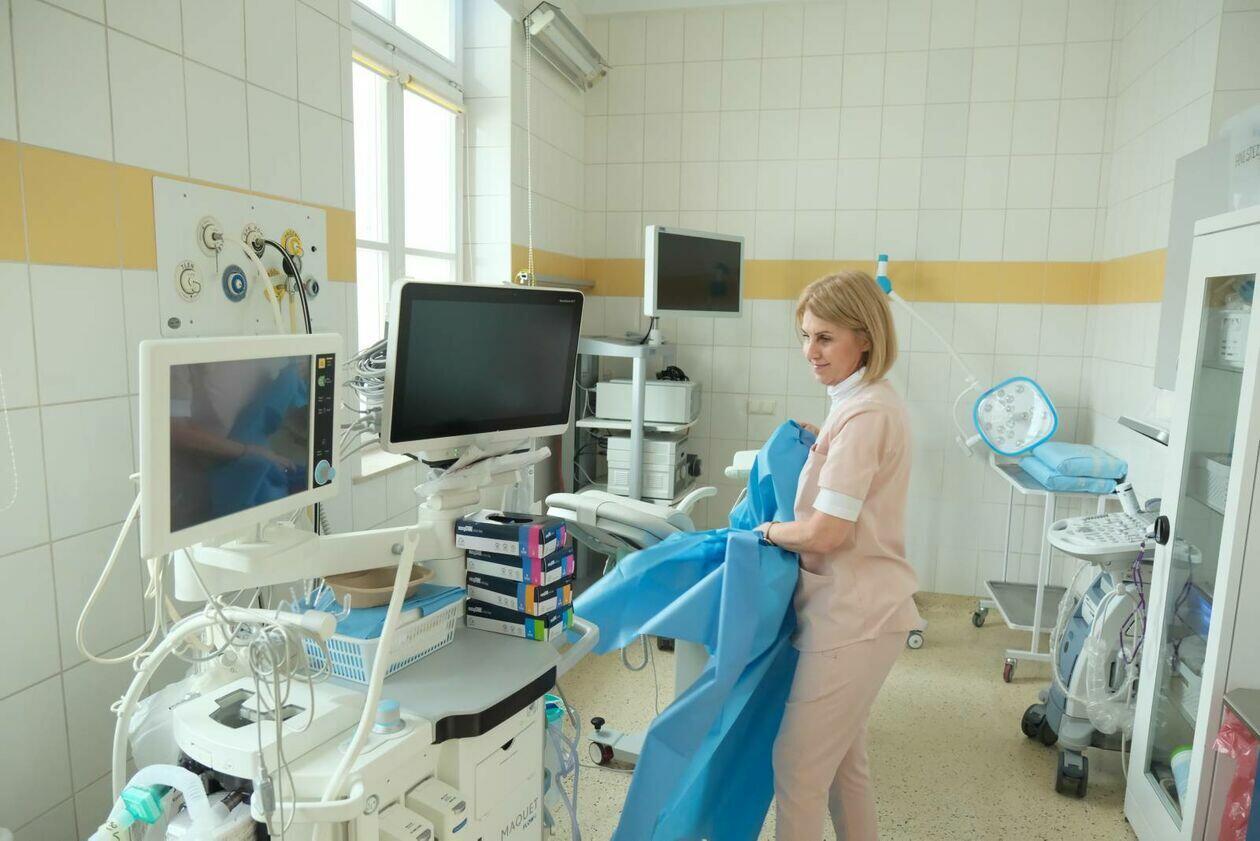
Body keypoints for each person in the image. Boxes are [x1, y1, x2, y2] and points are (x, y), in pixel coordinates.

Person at [754, 270, 922, 840]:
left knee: (797, 770)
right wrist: (821, 440)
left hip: (855, 618)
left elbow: (825, 533)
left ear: (865, 338)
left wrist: (768, 531)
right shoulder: (861, 404)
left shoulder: (866, 414)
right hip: (860, 609)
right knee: (844, 769)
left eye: (825, 337)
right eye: (806, 336)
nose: (811, 351)